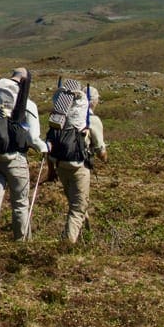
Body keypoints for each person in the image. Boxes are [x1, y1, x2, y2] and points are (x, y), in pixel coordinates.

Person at [0, 68, 49, 247]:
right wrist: (45, 147)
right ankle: (21, 245)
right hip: (15, 159)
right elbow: (33, 138)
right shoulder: (27, 104)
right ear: (26, 81)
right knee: (20, 204)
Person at [46, 84, 108, 243]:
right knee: (77, 208)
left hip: (60, 165)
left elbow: (50, 143)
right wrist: (105, 158)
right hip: (79, 167)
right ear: (92, 102)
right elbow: (101, 152)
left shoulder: (62, 117)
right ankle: (67, 244)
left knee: (76, 202)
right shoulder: (92, 120)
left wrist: (51, 169)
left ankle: (86, 237)